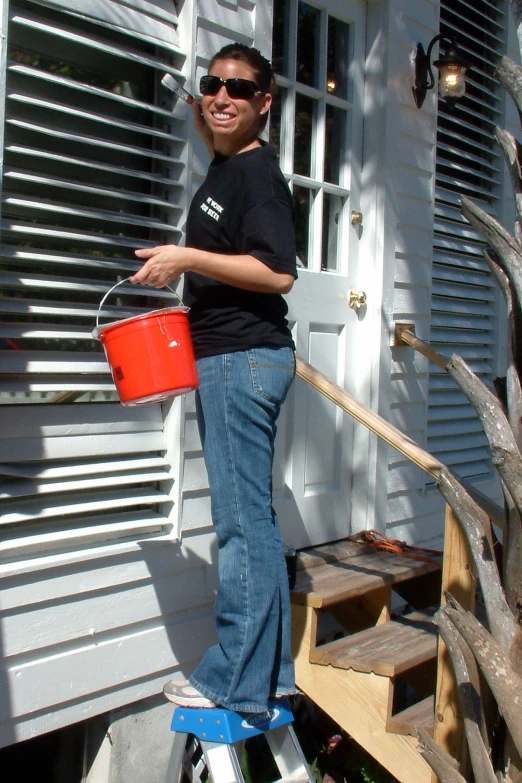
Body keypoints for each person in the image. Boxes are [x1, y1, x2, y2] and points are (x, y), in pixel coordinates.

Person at [131, 43, 298, 713]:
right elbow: (210, 117)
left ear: (265, 102)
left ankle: (233, 676)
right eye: (212, 86)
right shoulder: (227, 165)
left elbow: (277, 271)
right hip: (232, 356)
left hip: (242, 359)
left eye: (240, 87)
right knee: (250, 518)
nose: (222, 96)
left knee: (240, 524)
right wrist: (191, 98)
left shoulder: (256, 176)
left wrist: (185, 258)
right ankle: (271, 672)